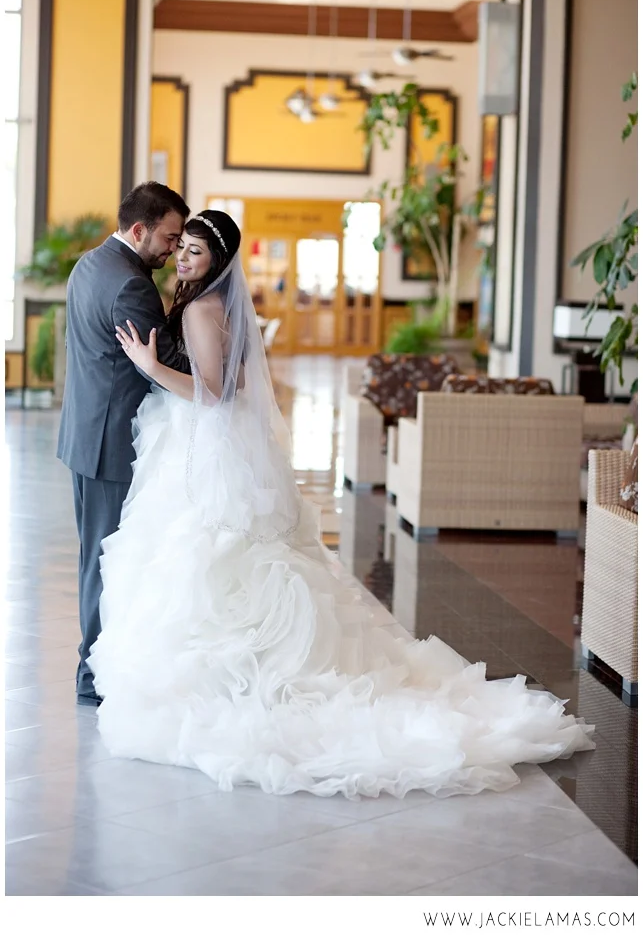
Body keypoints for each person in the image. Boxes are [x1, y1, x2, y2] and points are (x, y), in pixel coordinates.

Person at [88, 210, 595, 799]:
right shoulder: (202, 301)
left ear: (218, 260)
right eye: (183, 249)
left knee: (211, 561)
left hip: (206, 453)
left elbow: (216, 393)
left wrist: (150, 366)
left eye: (195, 252)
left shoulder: (203, 307)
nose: (183, 258)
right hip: (201, 450)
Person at [58, 182, 190, 705]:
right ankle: (93, 677)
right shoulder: (131, 287)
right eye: (169, 238)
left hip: (85, 435)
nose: (173, 250)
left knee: (99, 556)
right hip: (111, 445)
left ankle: (103, 666)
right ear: (139, 230)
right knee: (105, 560)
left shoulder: (89, 264)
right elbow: (163, 370)